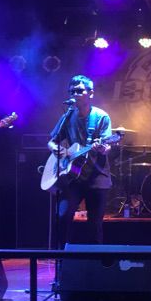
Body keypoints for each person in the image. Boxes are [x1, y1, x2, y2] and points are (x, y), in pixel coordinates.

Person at [48, 75, 112, 246]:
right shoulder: (68, 116)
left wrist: (103, 148)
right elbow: (51, 141)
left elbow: (107, 145)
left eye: (79, 91)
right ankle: (63, 258)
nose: (74, 94)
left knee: (94, 225)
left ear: (91, 93)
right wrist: (57, 150)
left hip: (97, 177)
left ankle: (94, 260)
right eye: (72, 91)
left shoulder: (101, 117)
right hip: (73, 177)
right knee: (62, 217)